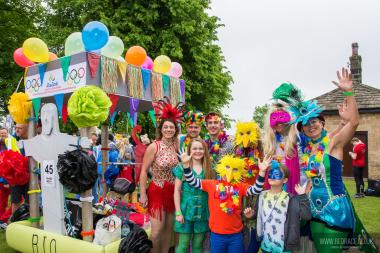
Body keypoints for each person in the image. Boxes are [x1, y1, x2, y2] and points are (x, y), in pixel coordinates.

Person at [292, 68, 361, 252]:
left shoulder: (333, 143)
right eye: (305, 124)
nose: (310, 125)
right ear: (303, 130)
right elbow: (311, 181)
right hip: (314, 211)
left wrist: (349, 92)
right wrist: (303, 196)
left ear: (322, 123)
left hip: (335, 209)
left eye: (314, 121)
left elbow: (354, 123)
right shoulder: (308, 150)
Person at [182, 153, 269, 253]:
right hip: (217, 235)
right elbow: (192, 181)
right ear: (221, 167)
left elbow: (256, 189)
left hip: (236, 236)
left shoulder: (240, 186)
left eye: (234, 169)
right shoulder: (211, 184)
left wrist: (262, 171)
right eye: (227, 167)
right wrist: (185, 165)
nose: (230, 171)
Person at [139, 98, 184, 253]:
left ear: (175, 130)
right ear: (161, 129)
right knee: (156, 232)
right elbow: (144, 171)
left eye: (171, 127)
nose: (169, 130)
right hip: (157, 190)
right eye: (166, 127)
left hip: (172, 192)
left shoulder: (177, 146)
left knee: (168, 231)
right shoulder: (154, 146)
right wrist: (142, 194)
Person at [244, 160, 311, 253]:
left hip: (284, 248)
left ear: (285, 180)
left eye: (277, 174)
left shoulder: (290, 199)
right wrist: (251, 215)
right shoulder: (262, 195)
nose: (272, 176)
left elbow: (306, 216)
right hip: (266, 246)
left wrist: (303, 196)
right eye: (270, 173)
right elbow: (258, 215)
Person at [173, 138, 212, 253]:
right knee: (183, 245)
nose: (198, 151)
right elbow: (176, 191)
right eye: (194, 148)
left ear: (205, 150)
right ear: (190, 150)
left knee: (198, 245)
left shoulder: (209, 168)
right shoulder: (181, 167)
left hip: (203, 212)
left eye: (201, 148)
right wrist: (178, 212)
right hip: (185, 211)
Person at [262, 102, 299, 194]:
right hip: (274, 182)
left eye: (282, 118)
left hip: (293, 182)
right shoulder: (269, 141)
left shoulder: (297, 138)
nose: (279, 122)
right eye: (274, 118)